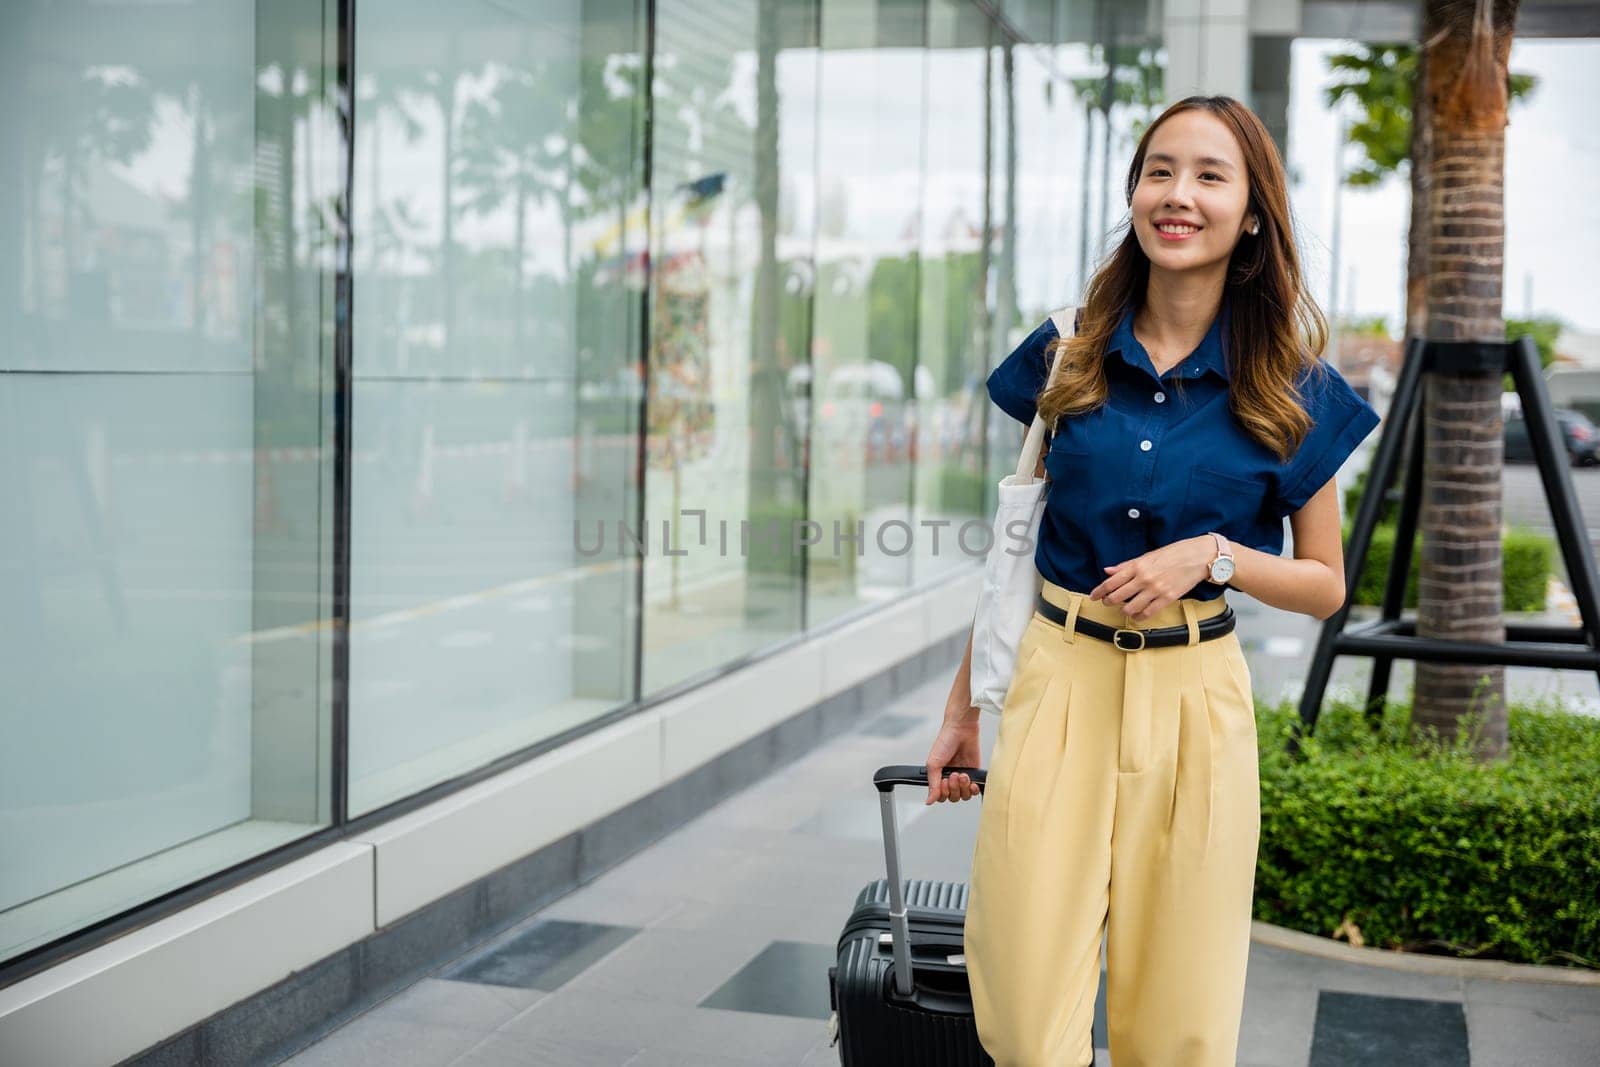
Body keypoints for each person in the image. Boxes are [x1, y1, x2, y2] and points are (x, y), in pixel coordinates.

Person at [924, 95, 1380, 1067]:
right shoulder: (1067, 348)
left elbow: (1324, 583)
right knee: (1019, 997)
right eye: (1158, 170)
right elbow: (1018, 541)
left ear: (1252, 213)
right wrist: (964, 708)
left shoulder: (1293, 387)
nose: (1177, 195)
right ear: (1134, 193)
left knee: (1176, 1017)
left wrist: (1213, 555)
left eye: (1210, 175)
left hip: (1195, 699)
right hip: (1058, 677)